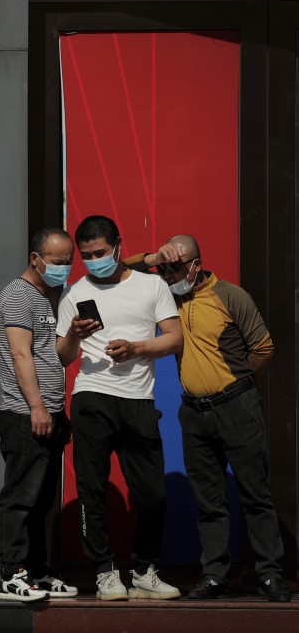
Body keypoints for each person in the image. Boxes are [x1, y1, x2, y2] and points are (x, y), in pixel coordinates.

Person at [126, 236, 291, 602]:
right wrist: (154, 256)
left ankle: (269, 575)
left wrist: (235, 383)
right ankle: (215, 575)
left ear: (196, 265)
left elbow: (263, 347)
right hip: (194, 411)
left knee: (255, 495)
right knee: (209, 500)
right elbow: (125, 270)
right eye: (163, 269)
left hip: (236, 406)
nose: (168, 275)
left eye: (175, 267)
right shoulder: (166, 298)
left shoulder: (231, 295)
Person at [56, 215, 182, 601]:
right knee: (91, 490)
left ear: (118, 245)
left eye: (101, 253)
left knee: (154, 494)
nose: (95, 261)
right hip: (92, 396)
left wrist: (137, 348)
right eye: (87, 255)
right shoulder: (74, 293)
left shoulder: (152, 284)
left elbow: (175, 339)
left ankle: (144, 569)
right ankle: (105, 571)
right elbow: (62, 356)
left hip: (139, 400)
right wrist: (75, 337)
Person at [0, 228, 76, 602]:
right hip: (25, 415)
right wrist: (37, 407)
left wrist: (75, 332)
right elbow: (20, 354)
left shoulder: (46, 297)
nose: (63, 269)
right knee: (20, 497)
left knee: (43, 501)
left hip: (53, 415)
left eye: (67, 262)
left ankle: (38, 572)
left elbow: (58, 355)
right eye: (57, 262)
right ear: (35, 259)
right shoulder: (16, 296)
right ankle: (11, 573)